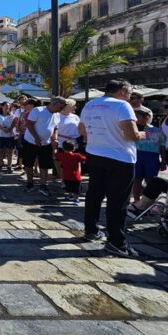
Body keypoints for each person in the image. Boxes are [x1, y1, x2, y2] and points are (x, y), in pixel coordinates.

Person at [80, 79, 144, 258]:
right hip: (119, 157)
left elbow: (82, 130)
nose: (130, 97)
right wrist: (141, 134)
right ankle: (116, 242)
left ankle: (91, 230)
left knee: (94, 194)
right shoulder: (122, 106)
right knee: (118, 201)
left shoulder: (90, 105)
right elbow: (131, 134)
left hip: (95, 153)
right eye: (129, 93)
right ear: (122, 91)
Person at [22, 96, 66, 195]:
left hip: (46, 143)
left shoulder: (57, 115)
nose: (61, 109)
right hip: (31, 141)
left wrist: (55, 139)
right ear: (54, 104)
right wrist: (36, 138)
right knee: (29, 163)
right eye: (60, 107)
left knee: (45, 165)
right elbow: (29, 124)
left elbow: (55, 128)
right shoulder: (38, 110)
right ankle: (30, 183)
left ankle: (43, 185)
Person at [132, 107, 165, 201]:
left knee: (150, 181)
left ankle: (148, 202)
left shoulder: (157, 131)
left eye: (137, 116)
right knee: (136, 180)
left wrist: (163, 161)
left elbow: (162, 146)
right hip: (136, 156)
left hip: (152, 158)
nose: (135, 119)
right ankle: (136, 202)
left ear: (146, 117)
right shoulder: (132, 130)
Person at [54, 99, 83, 179]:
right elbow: (54, 129)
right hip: (62, 143)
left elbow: (80, 128)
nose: (75, 107)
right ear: (67, 106)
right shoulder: (57, 116)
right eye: (73, 106)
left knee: (76, 161)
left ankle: (77, 178)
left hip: (75, 142)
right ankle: (63, 179)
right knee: (60, 162)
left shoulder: (75, 117)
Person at [55, 140, 87, 205]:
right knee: (76, 189)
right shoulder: (77, 155)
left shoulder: (62, 155)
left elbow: (55, 155)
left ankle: (70, 196)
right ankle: (76, 199)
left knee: (69, 187)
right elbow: (84, 159)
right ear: (73, 148)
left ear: (63, 148)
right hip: (75, 176)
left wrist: (54, 148)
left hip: (66, 176)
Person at [0, 101, 17, 173]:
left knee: (10, 151)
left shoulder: (12, 114)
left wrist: (10, 128)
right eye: (6, 105)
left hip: (10, 135)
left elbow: (14, 123)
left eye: (8, 106)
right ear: (2, 106)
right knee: (0, 151)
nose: (7, 107)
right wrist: (3, 129)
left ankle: (9, 166)